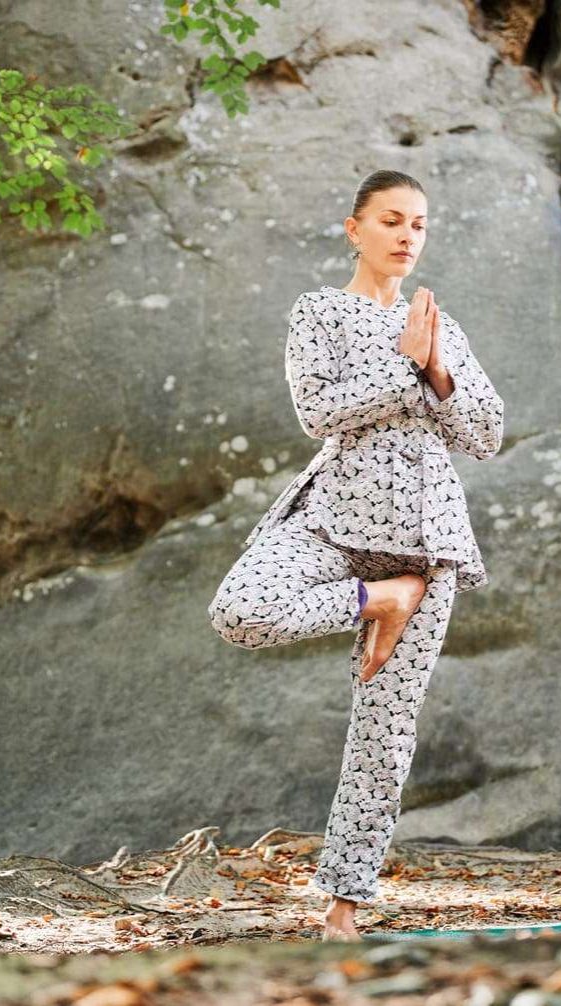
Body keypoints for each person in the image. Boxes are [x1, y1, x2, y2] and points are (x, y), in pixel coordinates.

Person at [207, 169, 504, 941]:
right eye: (392, 221)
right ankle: (382, 600)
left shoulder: (439, 324)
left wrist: (436, 366)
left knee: (386, 726)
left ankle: (344, 905)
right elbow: (317, 410)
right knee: (240, 609)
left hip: (427, 540)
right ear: (355, 229)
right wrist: (403, 365)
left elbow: (485, 433)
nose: (408, 236)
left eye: (420, 224)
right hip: (335, 520)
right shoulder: (320, 313)